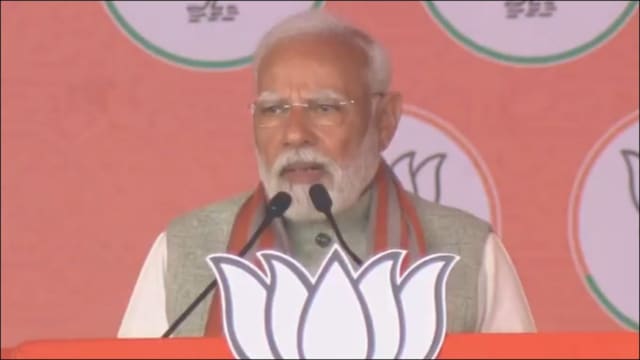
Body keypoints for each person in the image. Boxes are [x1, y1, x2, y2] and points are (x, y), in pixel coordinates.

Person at [117, 9, 536, 338]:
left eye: (325, 108)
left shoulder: (468, 251)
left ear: (385, 121)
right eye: (273, 110)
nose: (295, 134)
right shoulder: (185, 248)